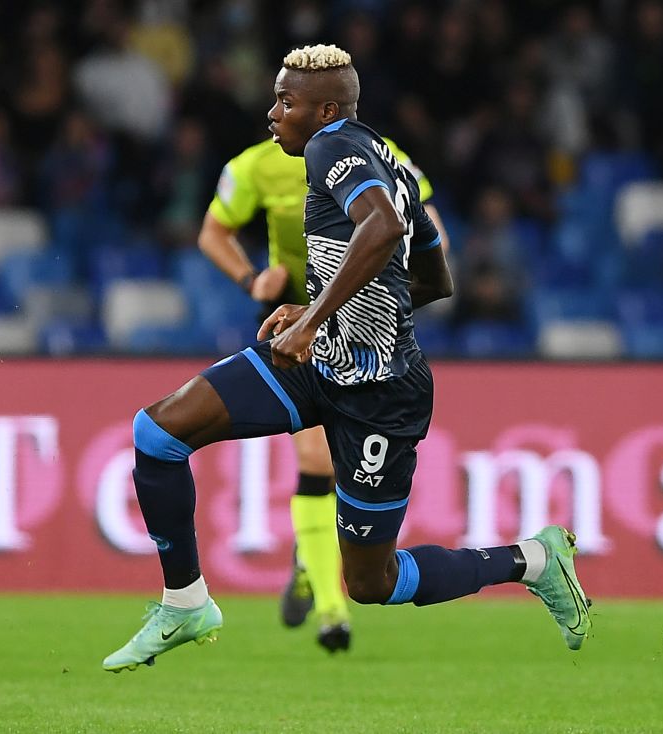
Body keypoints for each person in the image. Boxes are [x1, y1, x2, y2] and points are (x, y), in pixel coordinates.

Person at [103, 45, 591, 673]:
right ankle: (185, 602)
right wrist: (319, 314)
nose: (273, 111)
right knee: (160, 431)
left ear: (325, 109)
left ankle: (534, 561)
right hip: (319, 365)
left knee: (373, 581)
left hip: (382, 395)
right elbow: (436, 277)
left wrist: (313, 316)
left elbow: (383, 227)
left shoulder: (332, 146)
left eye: (286, 100)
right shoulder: (387, 159)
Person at [198, 123, 446, 653]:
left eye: (289, 103)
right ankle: (333, 614)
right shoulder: (252, 166)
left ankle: (311, 561)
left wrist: (397, 281)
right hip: (293, 320)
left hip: (362, 322)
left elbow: (431, 230)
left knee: (338, 467)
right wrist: (249, 279)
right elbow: (212, 231)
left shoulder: (378, 155)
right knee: (316, 464)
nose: (278, 114)